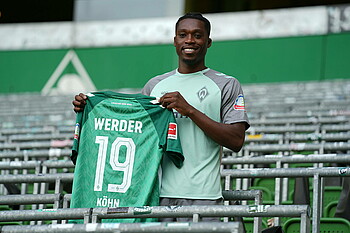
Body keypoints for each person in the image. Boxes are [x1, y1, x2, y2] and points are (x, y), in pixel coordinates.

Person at [72, 12, 250, 222]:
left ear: (208, 42)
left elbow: (236, 140)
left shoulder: (227, 84)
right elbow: (132, 135)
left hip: (204, 197)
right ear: (175, 41)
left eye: (197, 35)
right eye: (183, 35)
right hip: (155, 197)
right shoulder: (154, 86)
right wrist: (90, 111)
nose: (190, 40)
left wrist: (190, 110)